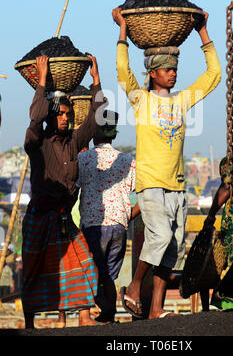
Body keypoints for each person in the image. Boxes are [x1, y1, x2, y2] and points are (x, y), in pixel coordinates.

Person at [112, 6, 221, 319]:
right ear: (153, 73)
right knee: (158, 237)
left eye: (174, 69)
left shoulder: (181, 100)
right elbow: (123, 71)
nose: (173, 73)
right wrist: (122, 30)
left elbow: (213, 75)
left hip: (176, 185)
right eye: (166, 69)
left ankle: (156, 308)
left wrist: (202, 32)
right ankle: (133, 287)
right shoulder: (141, 100)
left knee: (171, 251)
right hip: (150, 183)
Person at [22, 54, 106, 329]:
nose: (65, 118)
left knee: (84, 264)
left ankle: (83, 315)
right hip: (40, 215)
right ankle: (30, 323)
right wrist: (42, 81)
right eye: (60, 114)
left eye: (68, 114)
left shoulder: (73, 141)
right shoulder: (37, 142)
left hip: (62, 218)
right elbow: (35, 119)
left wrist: (96, 81)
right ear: (51, 114)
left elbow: (97, 119)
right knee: (34, 270)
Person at [77, 109, 140, 324]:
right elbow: (143, 195)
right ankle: (108, 315)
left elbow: (72, 189)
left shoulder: (83, 159)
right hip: (119, 226)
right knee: (109, 275)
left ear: (94, 133)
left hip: (93, 225)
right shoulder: (128, 160)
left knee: (96, 272)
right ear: (114, 134)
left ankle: (106, 311)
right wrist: (126, 216)